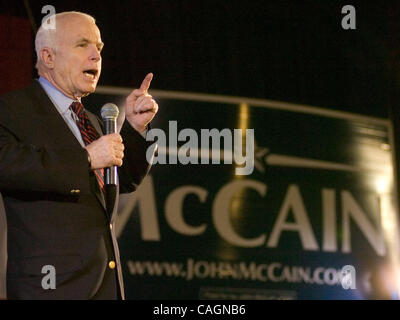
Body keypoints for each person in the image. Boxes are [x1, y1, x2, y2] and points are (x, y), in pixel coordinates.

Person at [0, 11, 158, 299]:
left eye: (98, 48)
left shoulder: (91, 121)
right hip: (49, 287)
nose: (96, 56)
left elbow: (121, 180)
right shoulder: (11, 110)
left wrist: (135, 128)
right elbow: (8, 165)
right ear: (48, 57)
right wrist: (85, 159)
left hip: (104, 285)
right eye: (83, 44)